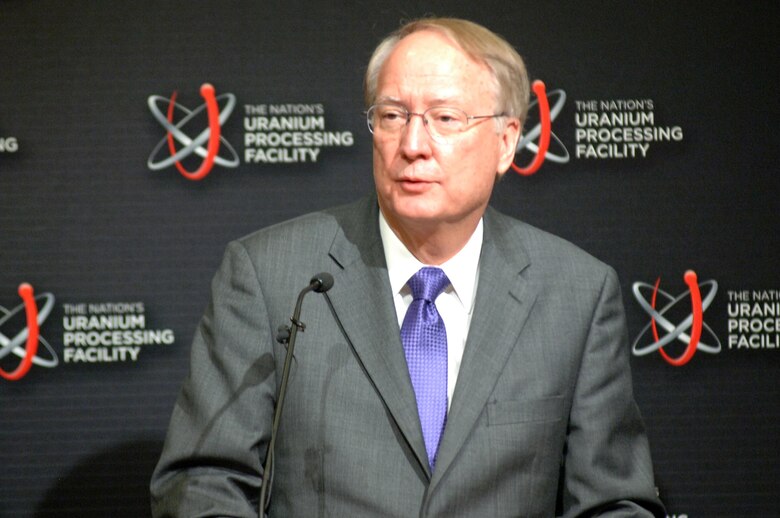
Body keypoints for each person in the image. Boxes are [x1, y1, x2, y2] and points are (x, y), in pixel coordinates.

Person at [150, 17, 665, 517]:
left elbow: (613, 501)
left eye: (445, 119)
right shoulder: (271, 277)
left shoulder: (575, 293)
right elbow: (201, 484)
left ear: (506, 142)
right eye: (393, 116)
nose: (413, 146)